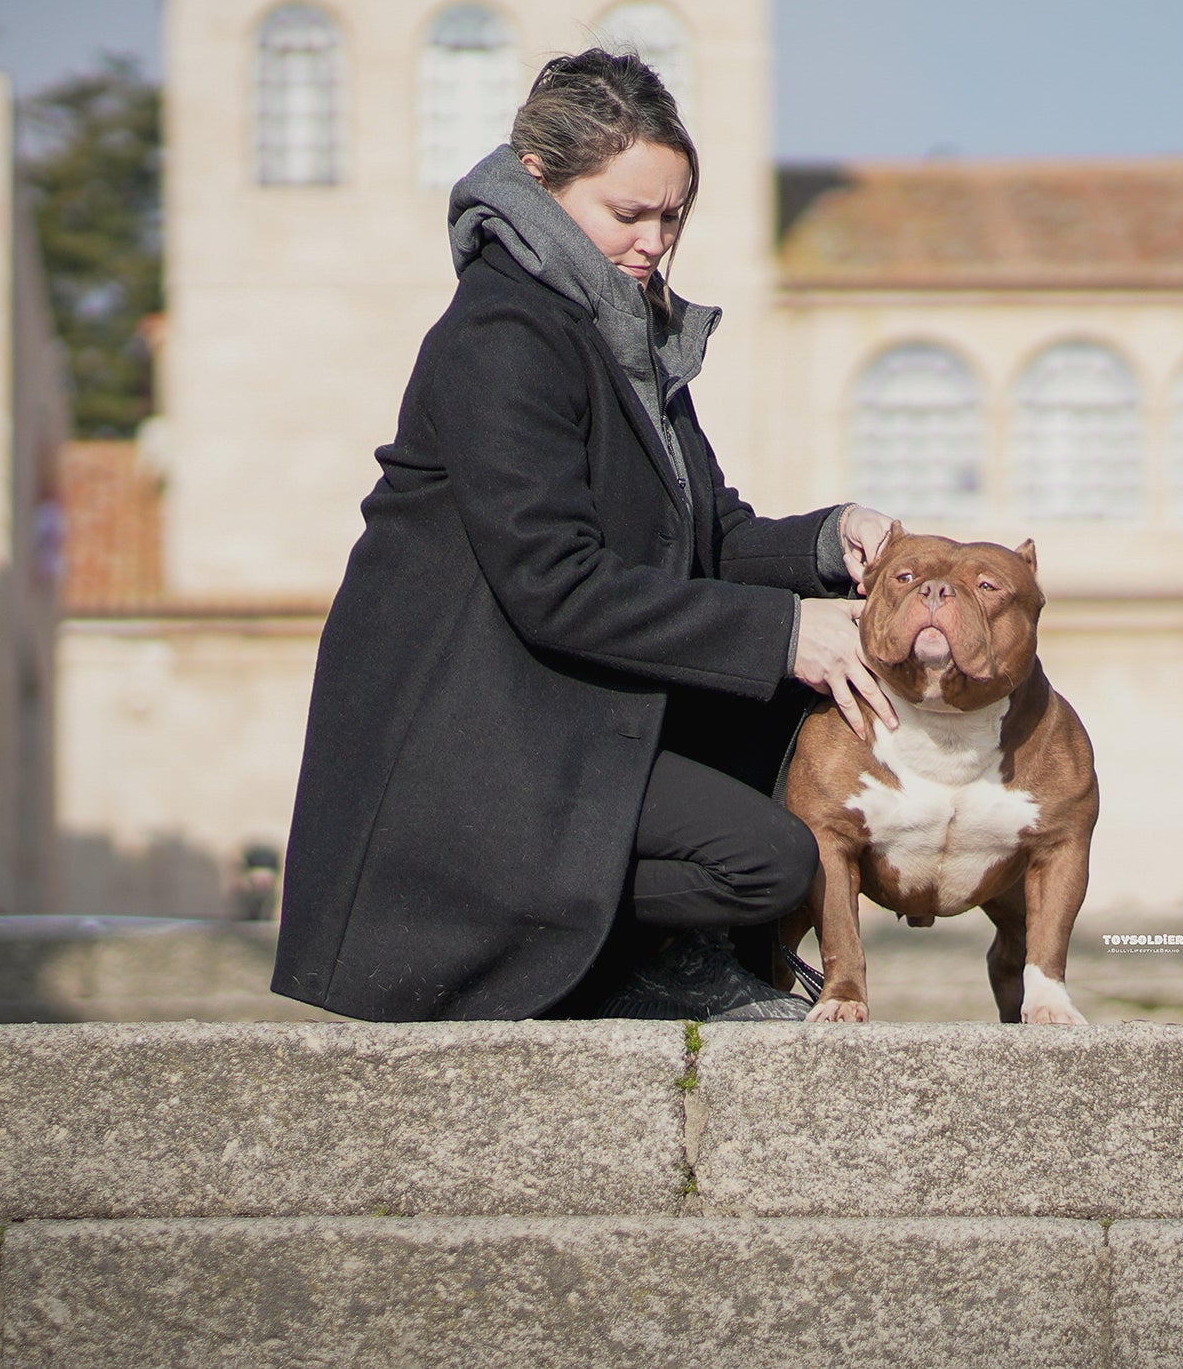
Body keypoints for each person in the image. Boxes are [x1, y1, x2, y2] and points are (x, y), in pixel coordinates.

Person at [273, 50, 896, 1023]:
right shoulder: (503, 337)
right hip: (478, 744)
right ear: (538, 181)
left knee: (789, 727)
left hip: (565, 712)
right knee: (769, 861)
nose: (655, 242)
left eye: (673, 216)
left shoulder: (619, 332)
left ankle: (662, 961)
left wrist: (834, 544)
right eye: (627, 215)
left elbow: (709, 537)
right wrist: (785, 633)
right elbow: (554, 584)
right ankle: (623, 970)